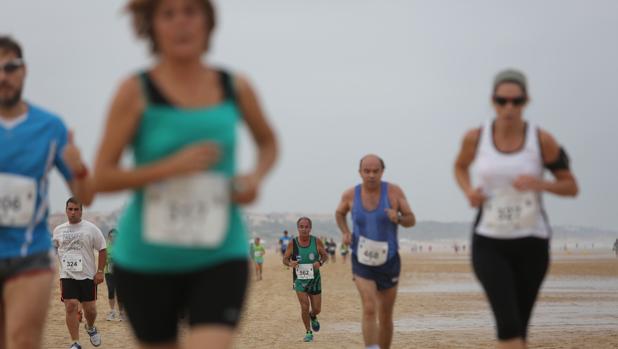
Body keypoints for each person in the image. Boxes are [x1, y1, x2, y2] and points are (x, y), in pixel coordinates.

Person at [61, 1, 278, 348]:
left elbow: (269, 143)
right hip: (147, 258)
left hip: (219, 251)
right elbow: (103, 177)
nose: (181, 23)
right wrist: (170, 167)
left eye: (191, 11)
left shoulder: (235, 86)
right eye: (169, 14)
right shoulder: (134, 91)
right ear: (152, 26)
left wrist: (254, 177)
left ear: (208, 22)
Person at [454, 69, 578, 349]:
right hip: (489, 241)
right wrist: (469, 190)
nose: (509, 107)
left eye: (516, 101)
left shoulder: (542, 140)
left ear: (526, 101)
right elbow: (460, 166)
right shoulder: (476, 137)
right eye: (502, 101)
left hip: (532, 241)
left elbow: (570, 186)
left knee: (520, 329)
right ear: (493, 101)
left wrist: (539, 183)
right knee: (508, 327)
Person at [0, 36, 92, 349]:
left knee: (23, 342)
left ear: (23, 71)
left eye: (10, 67)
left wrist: (79, 168)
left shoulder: (50, 127)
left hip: (30, 256)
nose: (3, 76)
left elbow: (85, 194)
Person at [335, 154, 416, 349]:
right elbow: (339, 213)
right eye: (367, 171)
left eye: (375, 171)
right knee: (369, 308)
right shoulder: (349, 195)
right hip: (361, 260)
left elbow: (411, 219)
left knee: (385, 314)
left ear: (382, 172)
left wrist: (397, 217)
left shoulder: (394, 192)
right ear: (360, 172)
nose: (371, 175)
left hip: (389, 260)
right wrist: (346, 232)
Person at [53, 198, 107, 349]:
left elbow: (102, 249)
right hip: (67, 275)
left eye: (76, 209)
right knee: (70, 306)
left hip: (87, 276)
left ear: (81, 211)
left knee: (90, 310)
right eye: (70, 209)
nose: (73, 212)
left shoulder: (91, 229)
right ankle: (75, 342)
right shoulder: (58, 230)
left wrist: (100, 271)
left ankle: (90, 327)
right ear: (66, 210)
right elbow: (53, 249)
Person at [282, 217, 328, 342]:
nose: (304, 229)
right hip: (299, 280)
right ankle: (308, 332)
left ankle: (313, 316)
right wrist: (290, 263)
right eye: (301, 227)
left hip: (315, 279)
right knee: (304, 306)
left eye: (306, 227)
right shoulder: (293, 243)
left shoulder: (316, 241)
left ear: (310, 228)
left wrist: (320, 262)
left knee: (317, 309)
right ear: (298, 228)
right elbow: (285, 259)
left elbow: (325, 255)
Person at [104, 228, 125, 321]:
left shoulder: (123, 246)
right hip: (109, 271)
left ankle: (121, 312)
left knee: (120, 292)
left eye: (115, 236)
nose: (113, 238)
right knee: (111, 290)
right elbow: (103, 259)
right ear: (109, 237)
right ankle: (112, 311)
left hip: (120, 272)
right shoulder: (105, 246)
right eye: (111, 236)